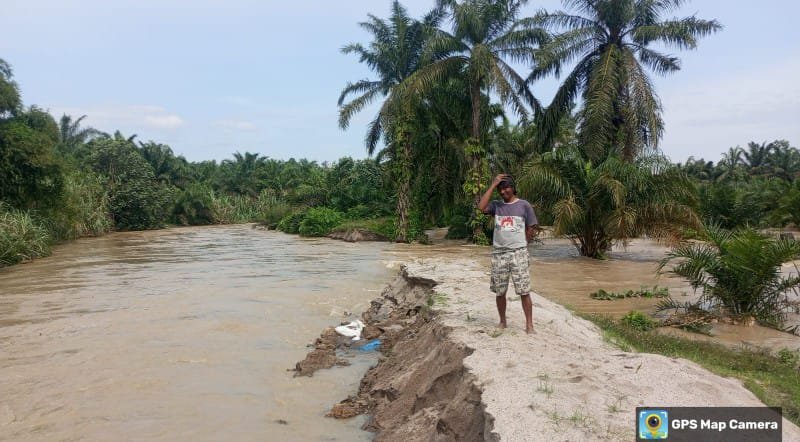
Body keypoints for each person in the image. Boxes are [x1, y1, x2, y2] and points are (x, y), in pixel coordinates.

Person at [478, 174, 538, 333]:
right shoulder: (496, 206)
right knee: (500, 291)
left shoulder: (524, 205)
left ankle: (529, 325)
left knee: (524, 290)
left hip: (519, 253)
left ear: (513, 188)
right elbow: (481, 207)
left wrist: (523, 243)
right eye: (500, 189)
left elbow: (531, 227)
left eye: (506, 188)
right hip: (499, 254)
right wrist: (493, 184)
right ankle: (503, 321)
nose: (503, 191)